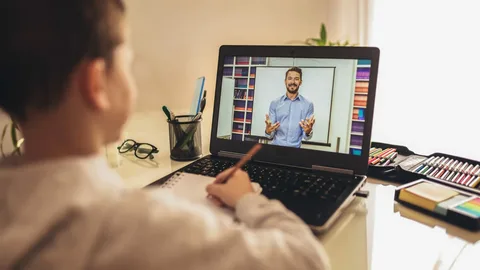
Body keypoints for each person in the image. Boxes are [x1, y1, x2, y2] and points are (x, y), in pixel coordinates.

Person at [0, 1, 331, 269]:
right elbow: (307, 260)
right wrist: (248, 200)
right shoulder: (141, 227)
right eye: (127, 65)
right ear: (96, 84)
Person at [265, 67, 316, 148]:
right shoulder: (275, 103)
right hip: (275, 149)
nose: (292, 82)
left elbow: (307, 137)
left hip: (295, 152)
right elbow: (269, 135)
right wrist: (268, 131)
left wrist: (308, 131)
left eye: (296, 79)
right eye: (289, 78)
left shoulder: (308, 105)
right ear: (285, 81)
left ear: (300, 82)